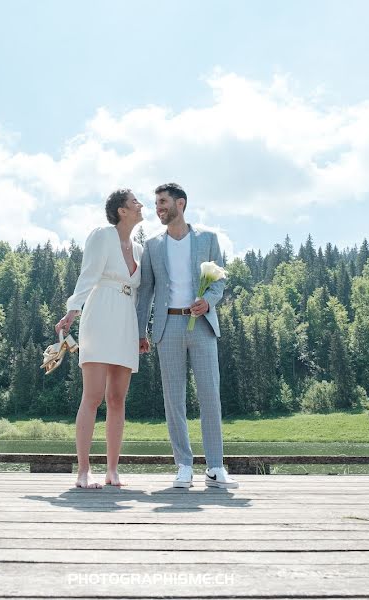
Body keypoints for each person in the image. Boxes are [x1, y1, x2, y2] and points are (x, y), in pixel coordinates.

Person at [136, 183, 237, 489]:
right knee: (174, 400)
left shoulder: (208, 239)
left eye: (163, 202)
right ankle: (183, 465)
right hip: (168, 328)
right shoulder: (153, 245)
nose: (158, 208)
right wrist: (141, 331)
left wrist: (210, 301)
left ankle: (216, 467)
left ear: (181, 204)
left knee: (210, 396)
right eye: (156, 203)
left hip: (202, 325)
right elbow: (146, 293)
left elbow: (219, 281)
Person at [57, 189, 144, 489]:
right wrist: (72, 310)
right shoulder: (102, 235)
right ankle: (83, 471)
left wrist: (141, 332)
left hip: (125, 319)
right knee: (93, 396)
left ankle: (112, 470)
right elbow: (88, 275)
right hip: (99, 312)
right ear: (121, 210)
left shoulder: (140, 249)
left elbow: (141, 293)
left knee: (117, 398)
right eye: (135, 202)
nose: (140, 205)